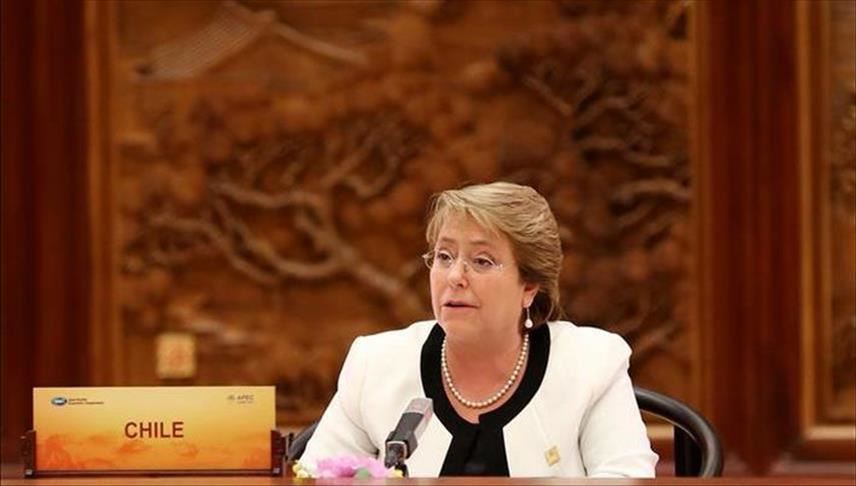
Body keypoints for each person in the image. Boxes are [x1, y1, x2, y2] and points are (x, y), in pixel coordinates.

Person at [301, 181, 658, 477]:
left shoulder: (591, 365)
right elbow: (316, 476)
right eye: (444, 257)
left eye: (482, 261)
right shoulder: (376, 364)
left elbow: (625, 477)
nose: (455, 277)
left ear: (529, 286)